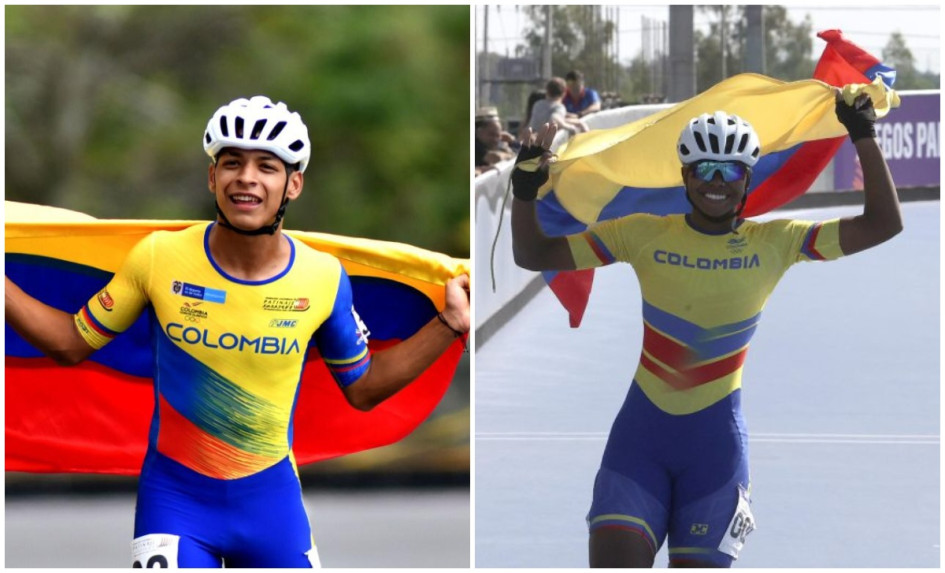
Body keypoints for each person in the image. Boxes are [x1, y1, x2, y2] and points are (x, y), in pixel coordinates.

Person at [4, 95, 470, 568]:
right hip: (175, 505)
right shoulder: (158, 257)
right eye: (232, 163)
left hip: (271, 508)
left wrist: (449, 324)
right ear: (213, 177)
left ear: (294, 185)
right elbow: (68, 343)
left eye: (267, 166)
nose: (246, 176)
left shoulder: (323, 278)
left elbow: (364, 389)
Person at [510, 94, 900, 567]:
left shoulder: (777, 242)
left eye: (730, 172)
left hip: (715, 454)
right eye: (704, 170)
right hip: (639, 444)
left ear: (748, 179)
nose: (716, 183)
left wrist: (863, 134)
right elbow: (535, 254)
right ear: (684, 176)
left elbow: (883, 223)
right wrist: (525, 191)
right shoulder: (640, 233)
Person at [475, 109, 516, 175]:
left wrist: (511, 143)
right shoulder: (475, 145)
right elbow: (496, 158)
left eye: (498, 135)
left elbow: (514, 156)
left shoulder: (497, 145)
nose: (495, 139)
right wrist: (508, 155)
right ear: (479, 132)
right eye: (491, 134)